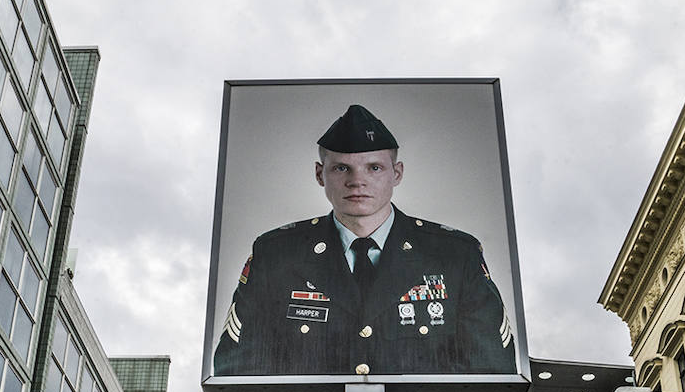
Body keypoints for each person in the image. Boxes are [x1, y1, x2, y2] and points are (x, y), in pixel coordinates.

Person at [213, 104, 518, 378]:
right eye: (341, 168)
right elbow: (239, 373)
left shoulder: (454, 255)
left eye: (374, 167)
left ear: (396, 173)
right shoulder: (276, 255)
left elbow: (492, 372)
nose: (357, 181)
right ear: (320, 174)